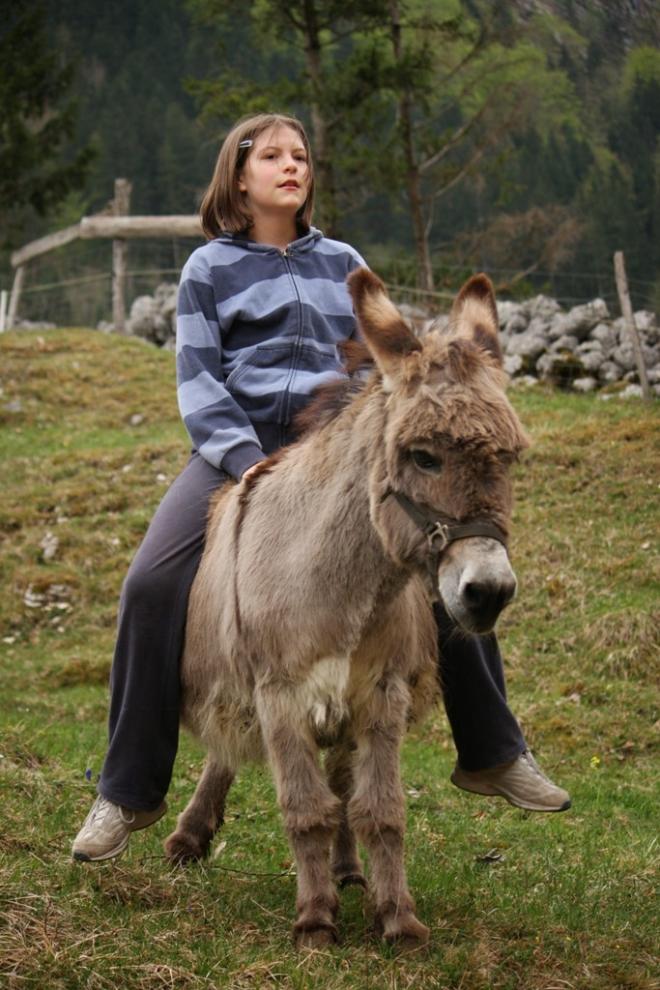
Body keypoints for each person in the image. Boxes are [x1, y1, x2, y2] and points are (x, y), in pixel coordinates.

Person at [72, 113, 569, 863]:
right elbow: (200, 384)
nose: (290, 166)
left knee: (444, 557)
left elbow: (379, 370)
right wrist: (247, 462)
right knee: (149, 583)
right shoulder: (207, 270)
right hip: (239, 454)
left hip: (341, 456)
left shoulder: (343, 259)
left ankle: (493, 751)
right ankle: (126, 791)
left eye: (300, 155)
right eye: (270, 155)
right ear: (238, 177)